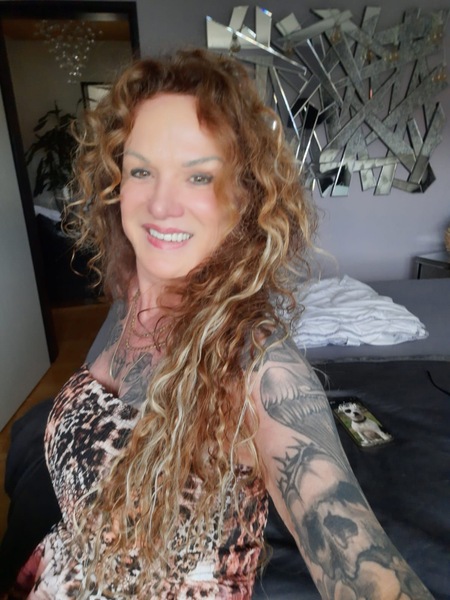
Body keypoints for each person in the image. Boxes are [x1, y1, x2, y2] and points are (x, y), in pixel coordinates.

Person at [9, 48, 433, 599]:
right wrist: (63, 550)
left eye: (199, 176)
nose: (162, 204)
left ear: (244, 195)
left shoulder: (261, 367)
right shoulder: (129, 301)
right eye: (142, 170)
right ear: (117, 182)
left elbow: (367, 568)